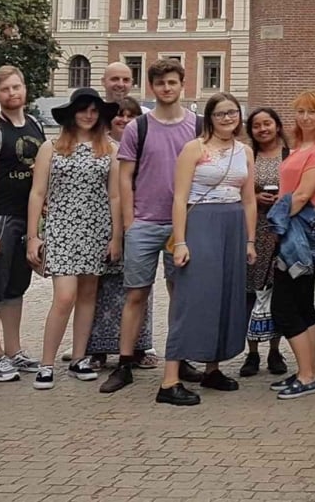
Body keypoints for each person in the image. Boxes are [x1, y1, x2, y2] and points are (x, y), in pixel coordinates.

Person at [100, 57, 200, 395]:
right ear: (151, 87)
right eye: (160, 83)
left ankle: (180, 355)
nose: (167, 88)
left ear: (181, 85)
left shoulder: (197, 126)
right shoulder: (137, 127)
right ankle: (125, 362)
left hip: (182, 226)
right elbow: (124, 179)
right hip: (145, 222)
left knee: (180, 294)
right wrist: (130, 223)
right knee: (136, 294)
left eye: (172, 82)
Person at [160, 91, 255, 406]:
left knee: (226, 295)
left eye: (233, 112)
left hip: (234, 224)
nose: (228, 118)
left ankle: (213, 368)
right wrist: (181, 240)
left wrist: (251, 240)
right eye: (221, 114)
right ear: (209, 118)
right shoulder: (194, 148)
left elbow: (249, 198)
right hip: (201, 221)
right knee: (192, 298)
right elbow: (178, 197)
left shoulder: (245, 151)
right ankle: (170, 379)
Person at [25, 88, 120, 388]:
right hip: (62, 228)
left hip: (96, 227)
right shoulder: (51, 148)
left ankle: (80, 357)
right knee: (64, 296)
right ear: (71, 113)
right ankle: (46, 363)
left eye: (94, 110)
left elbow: (115, 195)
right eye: (83, 109)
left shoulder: (110, 149)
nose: (89, 115)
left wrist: (116, 236)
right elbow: (37, 192)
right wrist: (33, 236)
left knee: (88, 295)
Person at [266, 91, 315, 400]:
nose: (305, 117)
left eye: (312, 112)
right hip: (296, 228)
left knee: (285, 304)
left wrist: (275, 223)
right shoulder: (300, 146)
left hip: (304, 231)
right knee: (302, 301)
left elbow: (302, 195)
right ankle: (307, 371)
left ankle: (307, 375)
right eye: (300, 111)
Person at [0, 66, 46, 383]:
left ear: (25, 89)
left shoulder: (33, 124)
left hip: (26, 217)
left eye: (16, 87)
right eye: (6, 89)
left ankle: (14, 348)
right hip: (0, 216)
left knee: (17, 286)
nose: (12, 94)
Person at [85, 96, 154, 369]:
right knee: (101, 288)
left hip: (140, 221)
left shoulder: (145, 145)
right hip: (104, 222)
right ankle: (98, 349)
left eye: (131, 115)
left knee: (137, 287)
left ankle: (137, 347)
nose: (124, 120)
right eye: (120, 115)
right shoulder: (98, 146)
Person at [241, 108, 288, 379]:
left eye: (267, 123)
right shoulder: (247, 156)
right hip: (253, 229)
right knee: (252, 291)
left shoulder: (289, 156)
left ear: (278, 126)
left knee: (277, 291)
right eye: (257, 125)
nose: (262, 129)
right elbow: (237, 187)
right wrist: (255, 197)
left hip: (281, 232)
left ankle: (275, 350)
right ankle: (252, 352)